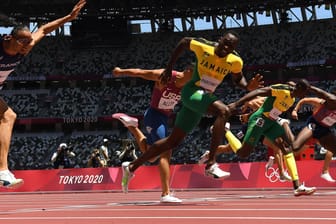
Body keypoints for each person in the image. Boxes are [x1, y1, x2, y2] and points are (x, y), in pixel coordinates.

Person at [120, 31, 263, 193]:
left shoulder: (235, 61)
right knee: (223, 112)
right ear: (220, 40)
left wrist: (247, 86)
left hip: (202, 98)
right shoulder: (204, 47)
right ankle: (211, 163)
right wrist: (169, 68)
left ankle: (132, 167)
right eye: (225, 43)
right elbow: (183, 42)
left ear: (234, 49)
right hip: (191, 92)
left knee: (172, 142)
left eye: (230, 46)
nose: (226, 47)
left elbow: (238, 79)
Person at [0, 0, 86, 188]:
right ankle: (3, 170)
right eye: (22, 42)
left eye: (28, 42)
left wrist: (69, 18)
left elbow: (44, 29)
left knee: (9, 116)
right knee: (8, 115)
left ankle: (3, 170)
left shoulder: (26, 46)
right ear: (8, 38)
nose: (26, 46)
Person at [112, 66, 193, 202]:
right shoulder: (166, 76)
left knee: (150, 156)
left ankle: (133, 127)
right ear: (188, 71)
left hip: (163, 118)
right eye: (197, 74)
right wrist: (121, 72)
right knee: (165, 151)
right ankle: (165, 193)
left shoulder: (189, 86)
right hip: (154, 115)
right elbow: (141, 72)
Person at [224, 80, 316, 196]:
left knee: (287, 148)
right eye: (304, 92)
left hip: (271, 123)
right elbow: (259, 91)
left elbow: (274, 112)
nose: (305, 95)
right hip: (259, 120)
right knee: (243, 153)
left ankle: (297, 187)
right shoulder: (281, 90)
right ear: (298, 88)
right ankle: (226, 131)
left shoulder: (292, 99)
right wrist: (237, 104)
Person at [199, 96, 292, 182]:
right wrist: (246, 115)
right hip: (251, 128)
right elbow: (257, 113)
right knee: (229, 148)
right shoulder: (255, 102)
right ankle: (209, 155)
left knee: (278, 146)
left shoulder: (273, 99)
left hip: (263, 128)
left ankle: (281, 173)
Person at [287, 88, 336, 182]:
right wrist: (295, 110)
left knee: (332, 150)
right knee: (295, 149)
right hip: (313, 126)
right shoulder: (321, 102)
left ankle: (325, 172)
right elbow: (304, 100)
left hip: (324, 130)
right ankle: (285, 124)